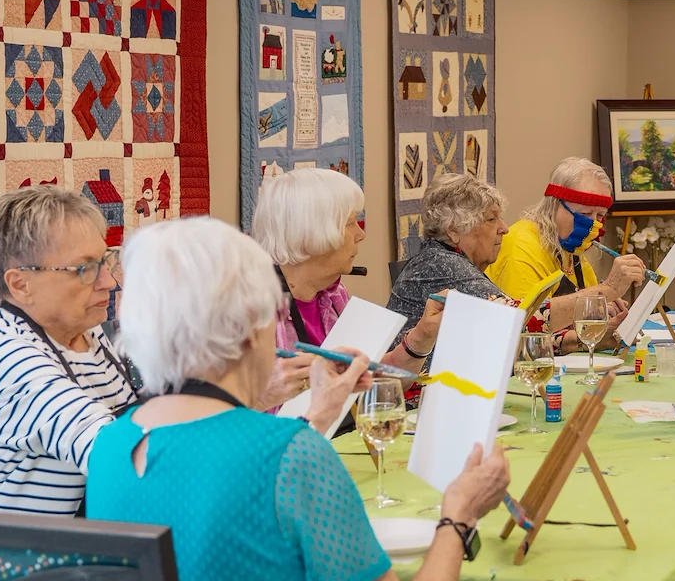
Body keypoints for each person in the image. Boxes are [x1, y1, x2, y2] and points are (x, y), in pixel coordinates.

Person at [86, 217, 509, 581]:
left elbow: (220, 501)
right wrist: (458, 517)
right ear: (250, 330)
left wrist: (311, 411)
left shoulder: (110, 447)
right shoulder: (288, 456)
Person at [0, 186, 138, 515]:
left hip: (72, 545)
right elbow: (116, 455)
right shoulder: (7, 359)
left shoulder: (81, 330)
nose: (109, 282)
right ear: (21, 284)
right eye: (85, 269)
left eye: (105, 261)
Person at [252, 168, 444, 410]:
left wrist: (422, 336)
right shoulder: (252, 311)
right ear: (311, 232)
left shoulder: (332, 294)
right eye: (351, 222)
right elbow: (214, 419)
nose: (360, 234)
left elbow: (366, 383)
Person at [488, 157, 646, 337]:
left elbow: (579, 312)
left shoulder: (570, 248)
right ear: (554, 205)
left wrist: (600, 310)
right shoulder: (521, 246)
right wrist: (608, 289)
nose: (592, 224)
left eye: (600, 215)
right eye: (585, 213)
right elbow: (523, 329)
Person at [387, 173, 511, 332]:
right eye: (491, 219)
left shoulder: (438, 256)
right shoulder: (440, 264)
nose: (504, 228)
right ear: (453, 230)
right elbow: (511, 319)